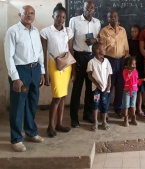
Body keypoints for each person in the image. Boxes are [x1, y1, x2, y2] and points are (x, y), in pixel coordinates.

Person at [4, 5, 45, 152]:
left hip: (35, 70)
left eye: (32, 13)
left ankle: (31, 132)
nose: (29, 15)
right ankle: (16, 139)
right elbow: (8, 56)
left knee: (32, 103)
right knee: (18, 106)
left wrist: (42, 71)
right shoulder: (13, 31)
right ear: (19, 14)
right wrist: (15, 78)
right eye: (26, 13)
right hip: (21, 71)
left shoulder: (35, 31)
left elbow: (40, 52)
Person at [40, 3, 74, 137]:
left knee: (63, 95)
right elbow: (43, 52)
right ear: (53, 16)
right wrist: (45, 72)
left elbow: (70, 50)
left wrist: (74, 71)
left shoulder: (68, 31)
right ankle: (50, 126)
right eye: (58, 16)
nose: (61, 19)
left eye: (63, 17)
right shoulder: (45, 32)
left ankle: (59, 123)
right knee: (57, 97)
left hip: (66, 64)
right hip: (54, 65)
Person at [69, 0, 101, 128]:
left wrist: (95, 40)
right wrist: (72, 61)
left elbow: (99, 38)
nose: (89, 9)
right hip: (79, 56)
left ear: (94, 9)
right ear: (83, 8)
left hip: (92, 57)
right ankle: (74, 118)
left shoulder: (97, 22)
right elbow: (69, 41)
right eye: (87, 7)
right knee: (77, 88)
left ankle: (87, 114)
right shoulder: (74, 20)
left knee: (90, 88)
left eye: (92, 8)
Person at [99, 10, 129, 118]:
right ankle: (105, 110)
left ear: (118, 17)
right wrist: (113, 36)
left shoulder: (123, 30)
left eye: (115, 16)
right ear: (107, 19)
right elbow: (103, 47)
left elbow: (126, 46)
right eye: (110, 17)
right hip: (109, 60)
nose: (113, 18)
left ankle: (118, 108)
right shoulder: (104, 31)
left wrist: (126, 59)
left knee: (120, 86)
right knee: (108, 86)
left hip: (121, 60)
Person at [87, 42, 112, 131]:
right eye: (103, 48)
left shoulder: (106, 61)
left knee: (104, 104)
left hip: (105, 88)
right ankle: (95, 122)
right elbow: (90, 75)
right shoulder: (91, 62)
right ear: (98, 50)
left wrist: (109, 85)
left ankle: (104, 121)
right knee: (95, 104)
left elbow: (109, 74)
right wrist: (97, 85)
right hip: (96, 89)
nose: (105, 50)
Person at [122, 57, 145, 127]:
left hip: (134, 90)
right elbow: (126, 79)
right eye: (132, 64)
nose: (134, 66)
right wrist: (130, 72)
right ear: (128, 65)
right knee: (126, 105)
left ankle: (133, 119)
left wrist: (143, 79)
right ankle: (126, 119)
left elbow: (136, 81)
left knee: (133, 105)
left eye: (135, 64)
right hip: (127, 91)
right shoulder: (125, 71)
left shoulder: (136, 71)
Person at [128, 25, 145, 116]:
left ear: (139, 32)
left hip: (140, 67)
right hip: (131, 67)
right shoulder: (128, 41)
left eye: (135, 31)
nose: (133, 33)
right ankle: (131, 109)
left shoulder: (141, 42)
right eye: (132, 31)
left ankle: (139, 108)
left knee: (139, 89)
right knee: (131, 88)